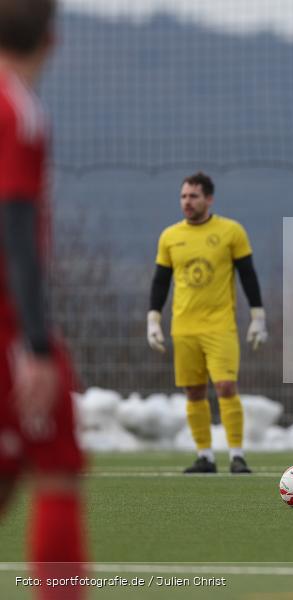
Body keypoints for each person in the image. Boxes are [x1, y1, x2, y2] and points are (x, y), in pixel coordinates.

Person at [0, 0, 88, 596]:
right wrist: (33, 343)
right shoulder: (16, 111)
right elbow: (14, 224)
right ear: (52, 39)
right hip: (7, 327)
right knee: (57, 466)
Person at [148, 172, 267, 474]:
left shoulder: (231, 231)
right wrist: (153, 319)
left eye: (193, 196)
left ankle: (237, 455)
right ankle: (205, 456)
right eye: (183, 196)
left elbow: (248, 275)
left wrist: (258, 316)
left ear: (209, 199)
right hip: (184, 326)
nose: (187, 202)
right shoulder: (170, 236)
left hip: (220, 325)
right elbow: (160, 282)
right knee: (193, 391)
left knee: (226, 385)